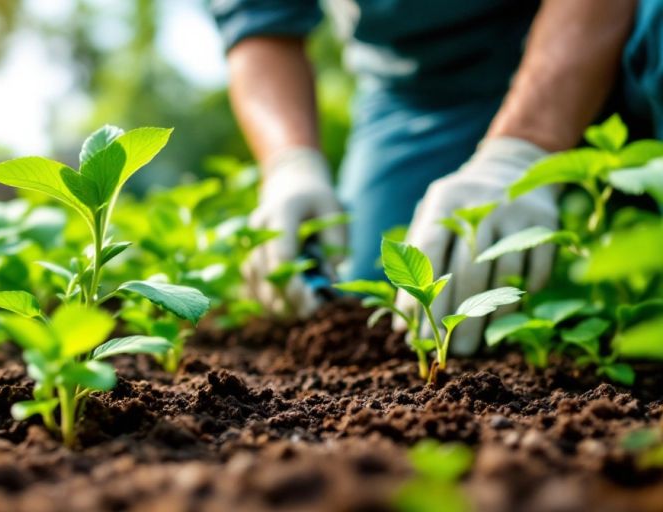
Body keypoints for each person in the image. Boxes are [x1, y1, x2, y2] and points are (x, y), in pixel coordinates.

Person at [212, 0, 663, 354]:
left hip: (607, 23)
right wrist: (291, 165)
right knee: (384, 309)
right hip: (424, 88)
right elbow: (257, 20)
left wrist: (523, 149)